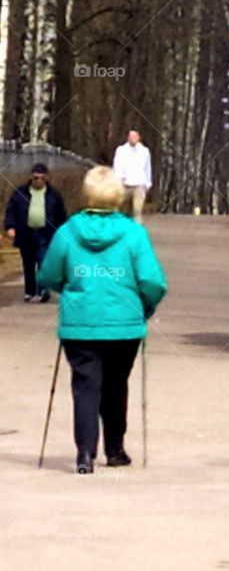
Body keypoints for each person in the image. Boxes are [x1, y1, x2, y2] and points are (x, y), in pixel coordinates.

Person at [38, 166, 167, 474]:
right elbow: (152, 281)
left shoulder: (68, 232)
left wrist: (69, 290)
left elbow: (49, 274)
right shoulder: (134, 234)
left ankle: (85, 453)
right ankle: (115, 448)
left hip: (80, 325)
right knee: (115, 385)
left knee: (85, 386)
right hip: (123, 326)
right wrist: (144, 308)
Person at [4, 162, 67, 302]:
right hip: (25, 232)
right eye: (35, 178)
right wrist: (10, 227)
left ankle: (43, 290)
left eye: (41, 178)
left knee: (43, 261)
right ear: (31, 178)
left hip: (45, 233)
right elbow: (11, 211)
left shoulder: (53, 195)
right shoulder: (20, 193)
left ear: (46, 178)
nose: (38, 181)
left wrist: (62, 232)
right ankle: (29, 291)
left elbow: (60, 215)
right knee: (28, 263)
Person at [112, 128, 152, 221]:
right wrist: (119, 179)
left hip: (139, 184)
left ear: (138, 138)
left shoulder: (144, 151)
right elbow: (117, 165)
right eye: (130, 136)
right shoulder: (121, 150)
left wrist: (148, 183)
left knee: (137, 210)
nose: (132, 138)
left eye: (134, 136)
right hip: (124, 184)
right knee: (119, 209)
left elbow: (147, 167)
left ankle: (136, 231)